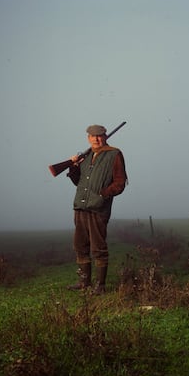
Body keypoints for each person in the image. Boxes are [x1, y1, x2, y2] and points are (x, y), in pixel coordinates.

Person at [66, 124, 127, 294]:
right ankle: (84, 283)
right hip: (80, 207)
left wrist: (102, 195)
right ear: (88, 138)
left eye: (99, 136)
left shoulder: (114, 154)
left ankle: (100, 286)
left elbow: (120, 183)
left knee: (98, 248)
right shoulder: (85, 157)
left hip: (98, 209)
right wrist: (73, 166)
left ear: (105, 136)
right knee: (80, 246)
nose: (96, 139)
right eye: (93, 136)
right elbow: (77, 181)